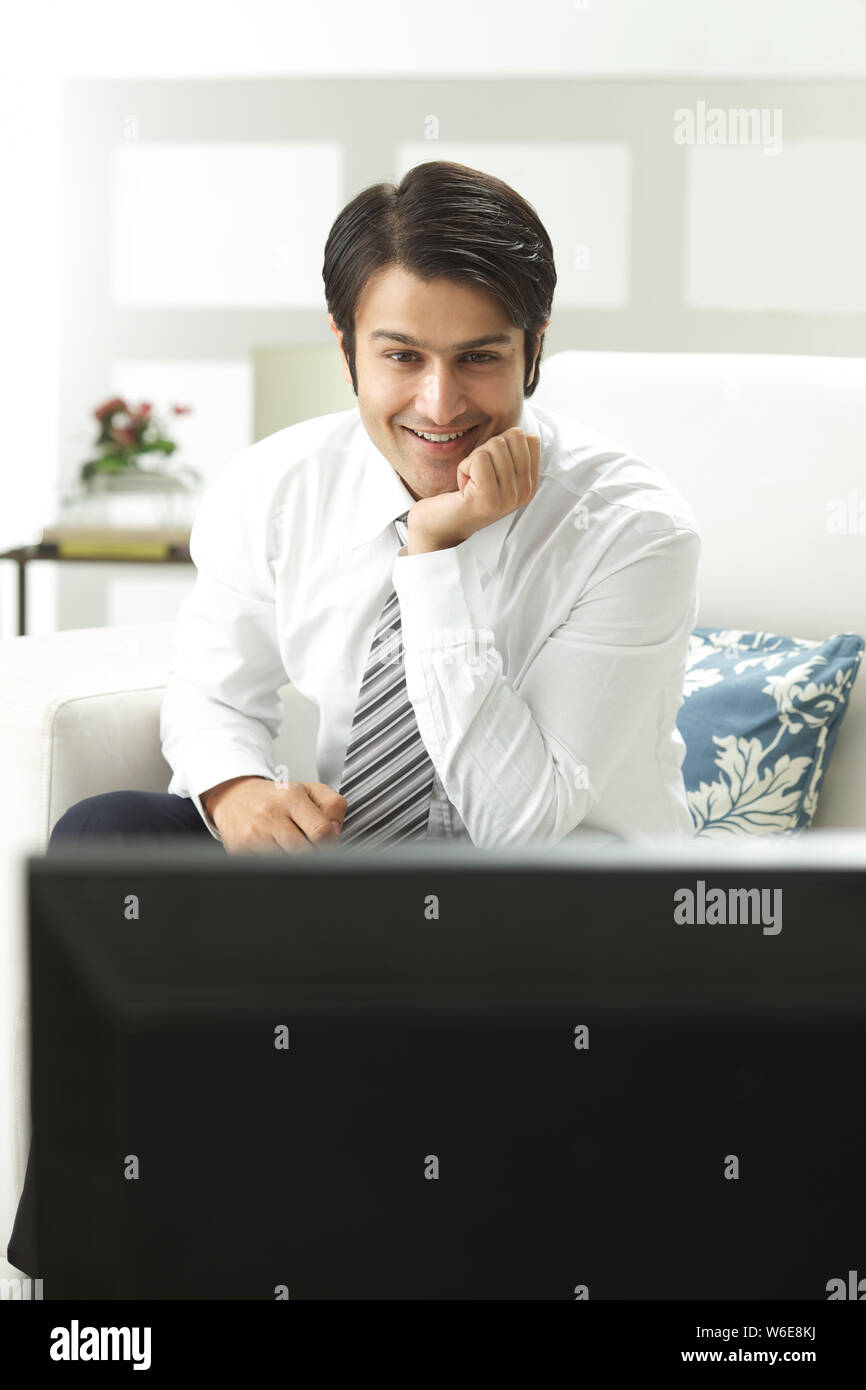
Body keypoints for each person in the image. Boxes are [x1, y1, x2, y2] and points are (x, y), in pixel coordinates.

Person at [7, 159, 701, 1274]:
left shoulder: (632, 530)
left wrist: (438, 557)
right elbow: (211, 692)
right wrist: (237, 796)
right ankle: (84, 1295)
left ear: (534, 348)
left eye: (479, 356)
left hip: (553, 918)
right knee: (111, 841)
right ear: (345, 348)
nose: (440, 405)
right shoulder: (275, 487)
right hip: (344, 887)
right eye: (401, 358)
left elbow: (521, 824)